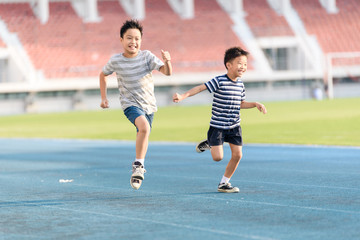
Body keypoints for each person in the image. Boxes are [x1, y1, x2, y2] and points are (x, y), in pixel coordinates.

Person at [173, 47, 267, 193]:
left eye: (245, 64)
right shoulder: (219, 81)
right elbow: (200, 88)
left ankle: (224, 183)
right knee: (218, 157)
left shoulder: (240, 84)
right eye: (240, 63)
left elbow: (241, 104)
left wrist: (255, 104)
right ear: (229, 65)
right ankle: (210, 142)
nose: (243, 67)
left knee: (238, 155)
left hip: (234, 126)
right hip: (218, 126)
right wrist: (183, 96)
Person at [99, 19, 172, 190]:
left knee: (144, 132)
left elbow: (167, 73)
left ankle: (137, 175)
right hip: (130, 104)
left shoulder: (147, 56)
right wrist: (104, 98)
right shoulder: (116, 60)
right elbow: (102, 75)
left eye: (137, 38)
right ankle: (138, 165)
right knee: (144, 128)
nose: (134, 42)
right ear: (121, 40)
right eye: (129, 38)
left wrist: (167, 61)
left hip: (149, 105)